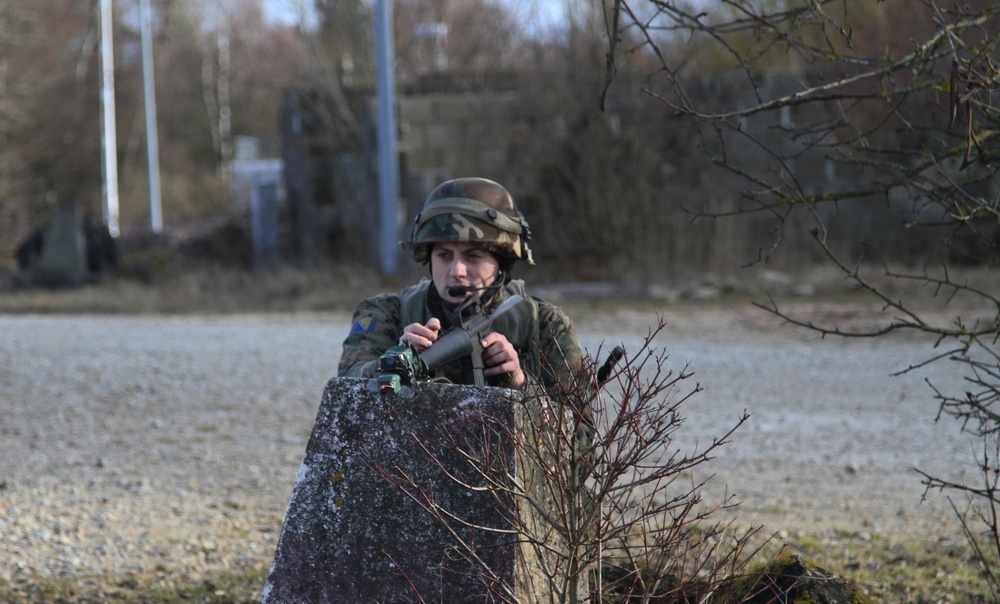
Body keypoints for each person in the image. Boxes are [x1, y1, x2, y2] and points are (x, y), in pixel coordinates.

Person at [337, 176, 586, 399]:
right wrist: (393, 364)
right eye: (444, 255)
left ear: (501, 263)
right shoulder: (387, 313)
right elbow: (344, 391)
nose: (457, 271)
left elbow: (580, 438)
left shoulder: (545, 326)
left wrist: (521, 386)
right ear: (429, 258)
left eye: (473, 256)